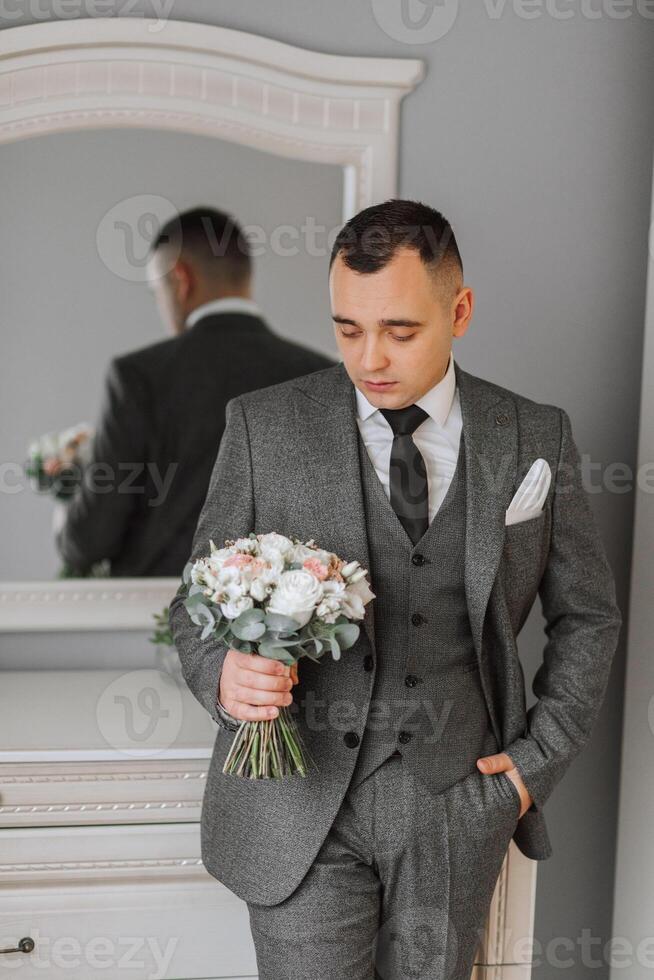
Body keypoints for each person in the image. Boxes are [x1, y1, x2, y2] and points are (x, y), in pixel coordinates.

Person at [168, 199, 622, 979]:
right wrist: (224, 676)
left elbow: (587, 616)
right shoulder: (263, 426)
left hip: (456, 801)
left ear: (460, 310)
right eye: (348, 328)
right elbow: (193, 603)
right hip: (297, 797)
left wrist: (528, 770)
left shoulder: (532, 436)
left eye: (400, 331)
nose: (370, 357)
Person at [56, 207, 335, 577]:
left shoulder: (139, 376)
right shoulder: (319, 373)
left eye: (156, 290)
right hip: (284, 624)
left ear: (181, 279)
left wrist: (64, 514)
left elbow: (91, 540)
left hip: (152, 612)